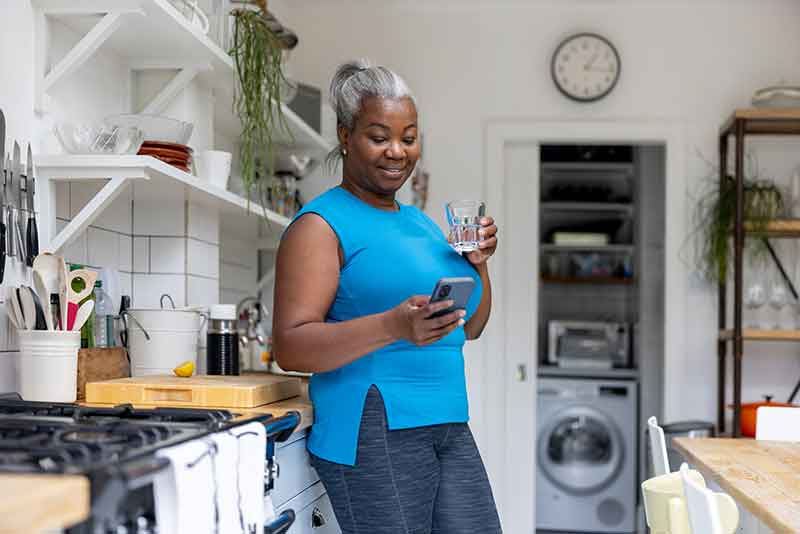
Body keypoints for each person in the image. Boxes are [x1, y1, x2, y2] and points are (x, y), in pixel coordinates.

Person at [272, 59, 501, 534]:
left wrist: (479, 265)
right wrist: (392, 326)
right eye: (379, 137)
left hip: (448, 420)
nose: (397, 151)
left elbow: (472, 325)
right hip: (374, 427)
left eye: (409, 136)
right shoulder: (320, 225)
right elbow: (290, 347)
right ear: (345, 135)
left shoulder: (420, 222)